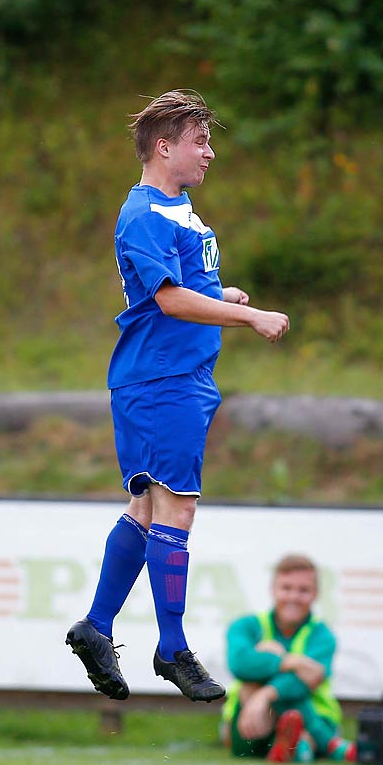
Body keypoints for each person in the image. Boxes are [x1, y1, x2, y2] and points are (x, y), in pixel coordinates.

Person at [65, 89, 289, 703]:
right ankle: (171, 647)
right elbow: (167, 301)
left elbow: (180, 287)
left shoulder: (178, 208)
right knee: (177, 510)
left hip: (174, 377)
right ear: (165, 149)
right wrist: (251, 317)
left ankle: (97, 626)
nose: (210, 154)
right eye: (200, 142)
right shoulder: (143, 214)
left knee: (147, 509)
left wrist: (226, 295)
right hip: (163, 379)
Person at [221, 555, 357, 763]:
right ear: (273, 589)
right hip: (252, 718)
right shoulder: (245, 625)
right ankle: (320, 744)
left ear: (315, 594)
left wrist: (266, 693)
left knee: (284, 698)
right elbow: (239, 664)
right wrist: (289, 662)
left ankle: (294, 743)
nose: (294, 597)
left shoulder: (323, 635)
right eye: (286, 588)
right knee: (250, 688)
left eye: (303, 590)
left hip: (314, 716)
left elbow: (307, 681)